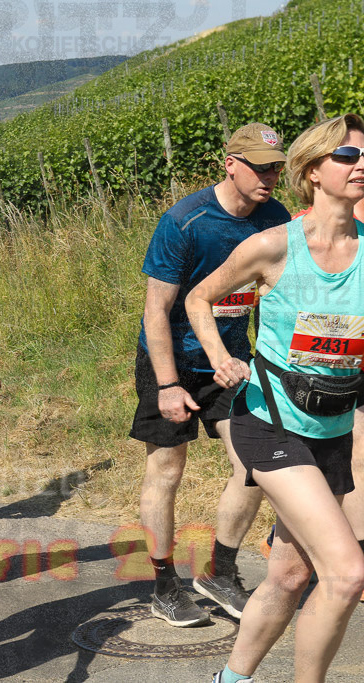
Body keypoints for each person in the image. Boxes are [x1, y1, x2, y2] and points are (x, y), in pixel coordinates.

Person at [187, 113, 364, 683]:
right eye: (347, 156)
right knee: (347, 574)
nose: (360, 165)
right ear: (313, 171)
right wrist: (220, 356)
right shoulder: (273, 246)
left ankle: (230, 679)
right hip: (271, 425)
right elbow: (198, 298)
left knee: (289, 576)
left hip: (332, 430)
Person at [129, 123, 292, 627]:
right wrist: (167, 384)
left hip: (233, 362)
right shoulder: (186, 221)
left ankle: (220, 572)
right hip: (172, 361)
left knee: (255, 465)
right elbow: (156, 310)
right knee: (167, 470)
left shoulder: (276, 219)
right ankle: (163, 585)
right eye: (259, 167)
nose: (269, 177)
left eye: (276, 168)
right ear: (231, 165)